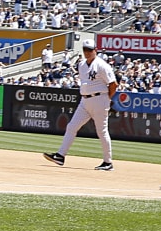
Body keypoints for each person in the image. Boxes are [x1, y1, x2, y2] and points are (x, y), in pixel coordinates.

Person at [43, 42, 119, 171]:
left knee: (102, 131)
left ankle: (108, 162)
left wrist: (106, 99)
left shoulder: (102, 65)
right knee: (72, 126)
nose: (87, 52)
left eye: (90, 49)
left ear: (95, 50)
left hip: (100, 99)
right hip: (85, 100)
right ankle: (60, 156)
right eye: (85, 49)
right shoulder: (81, 65)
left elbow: (113, 84)